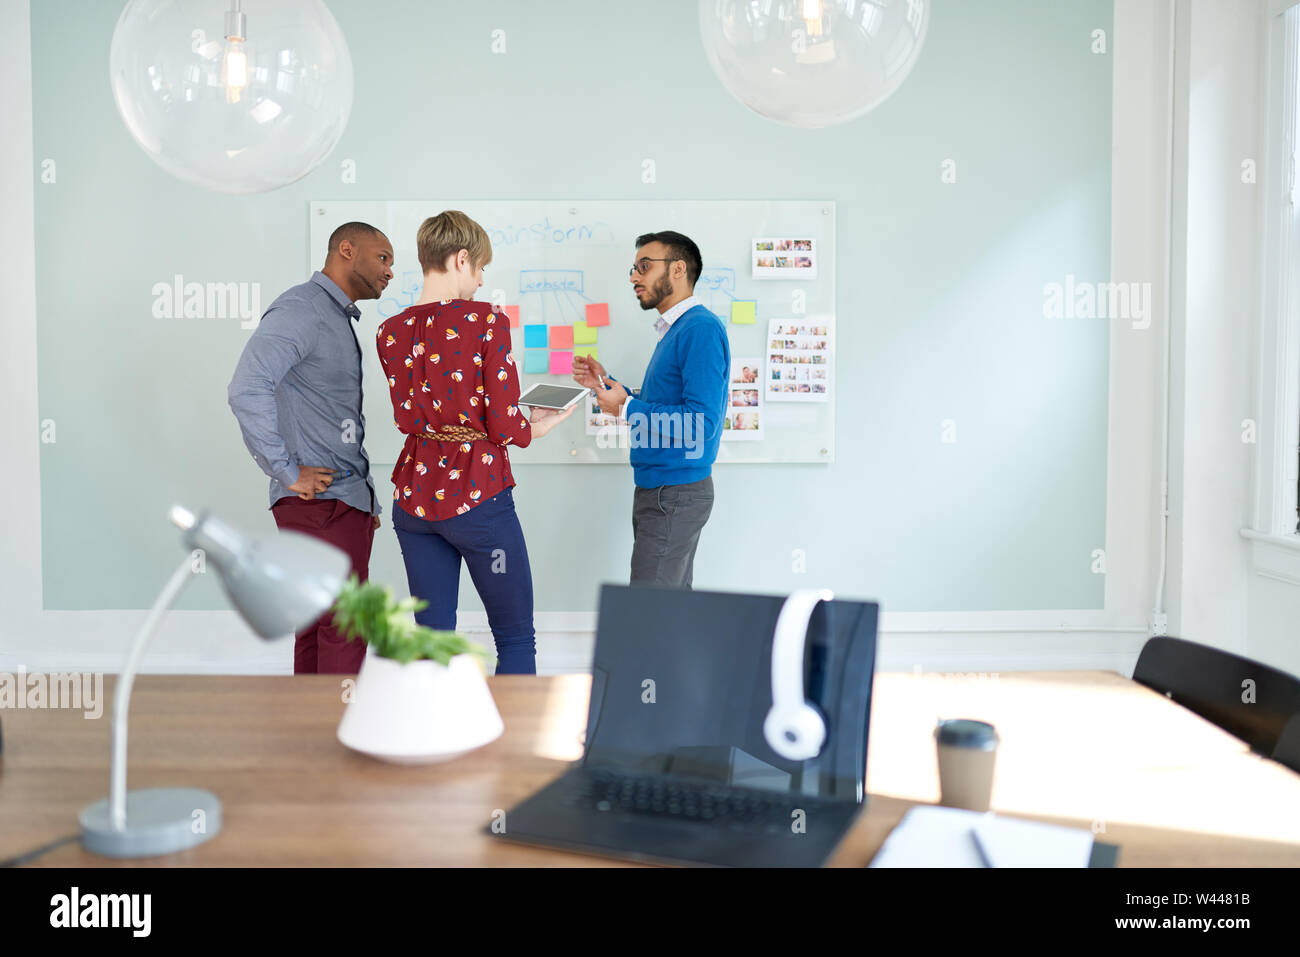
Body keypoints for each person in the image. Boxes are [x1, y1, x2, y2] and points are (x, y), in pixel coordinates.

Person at [376, 211, 575, 674]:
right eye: (480, 268)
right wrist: (537, 426)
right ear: (461, 259)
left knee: (430, 642)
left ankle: (431, 742)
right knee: (514, 637)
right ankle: (518, 745)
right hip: (477, 495)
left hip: (415, 500)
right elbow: (505, 425)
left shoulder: (390, 331)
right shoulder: (487, 321)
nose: (481, 280)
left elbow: (407, 414)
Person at [228, 221, 393, 674]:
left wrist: (364, 499)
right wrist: (285, 469)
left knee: (319, 622)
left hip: (340, 503)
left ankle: (310, 738)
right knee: (344, 624)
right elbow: (246, 388)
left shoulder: (332, 315)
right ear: (346, 250)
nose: (390, 272)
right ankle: (334, 738)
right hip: (322, 503)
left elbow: (334, 417)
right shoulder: (303, 309)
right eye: (383, 258)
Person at [572, 230, 729, 588]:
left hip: (673, 493)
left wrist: (626, 407)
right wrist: (612, 387)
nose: (633, 277)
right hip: (662, 490)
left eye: (644, 266)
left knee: (648, 612)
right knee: (665, 610)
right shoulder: (677, 330)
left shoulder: (699, 329)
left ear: (678, 269)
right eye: (634, 267)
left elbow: (700, 424)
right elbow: (670, 404)